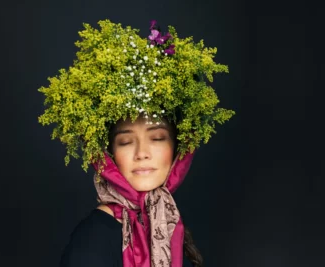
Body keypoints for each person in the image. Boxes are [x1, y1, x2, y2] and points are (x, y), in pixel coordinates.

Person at [38, 19, 234, 267]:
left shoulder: (164, 218)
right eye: (126, 142)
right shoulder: (93, 240)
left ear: (179, 148)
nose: (142, 153)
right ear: (107, 154)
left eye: (157, 138)